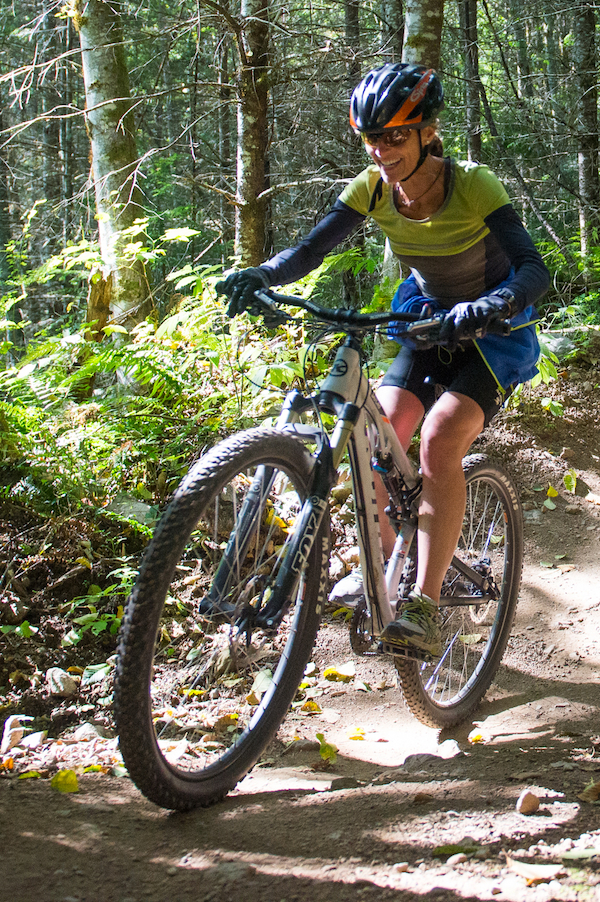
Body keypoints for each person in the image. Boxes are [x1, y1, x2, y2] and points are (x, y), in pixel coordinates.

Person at [214, 63, 549, 658]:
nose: (382, 150)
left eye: (396, 136)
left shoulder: (473, 185)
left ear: (427, 132)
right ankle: (388, 576)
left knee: (439, 440)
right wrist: (263, 273)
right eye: (372, 138)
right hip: (424, 321)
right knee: (376, 440)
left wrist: (495, 300)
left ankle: (424, 603)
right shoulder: (372, 188)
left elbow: (533, 268)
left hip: (493, 332)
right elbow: (311, 249)